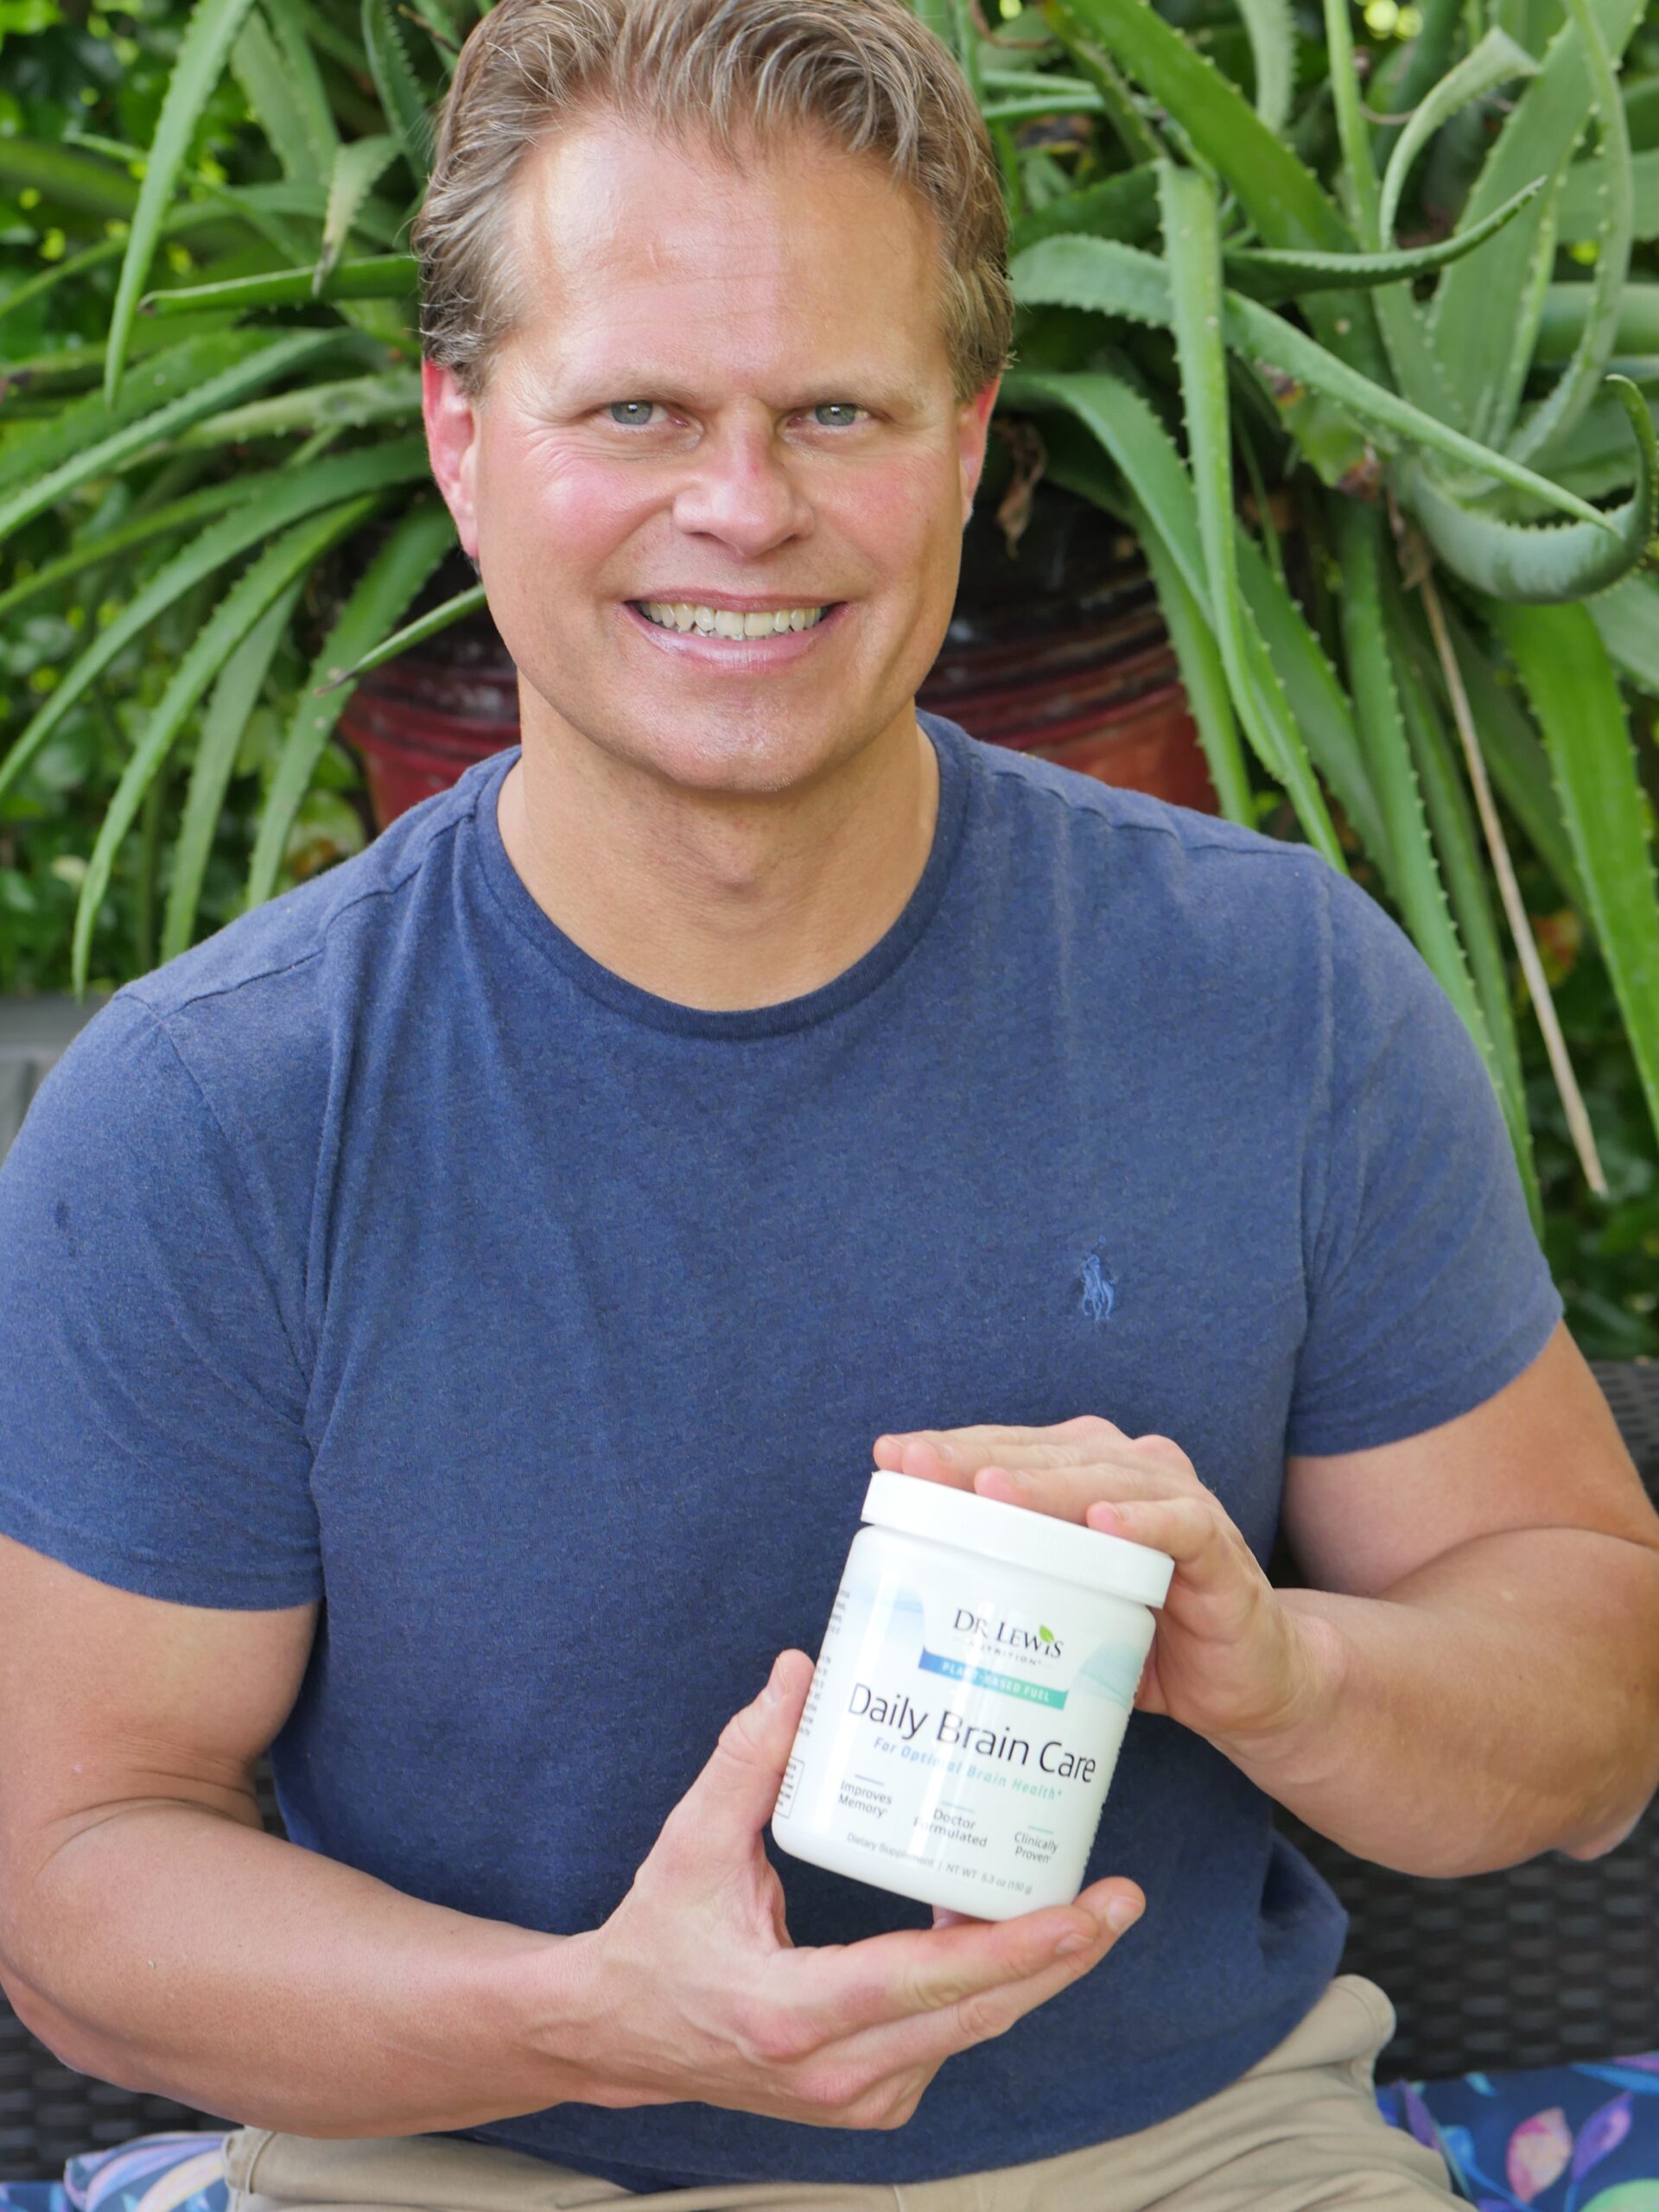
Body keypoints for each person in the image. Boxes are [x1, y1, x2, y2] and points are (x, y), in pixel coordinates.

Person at [2, 1, 1657, 2207]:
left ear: (970, 444)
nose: (745, 507)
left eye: (837, 411)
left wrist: (1288, 1669)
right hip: (467, 2162)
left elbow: (1591, 1683)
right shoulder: (211, 1112)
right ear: (461, 434)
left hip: (1184, 2159)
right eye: (641, 409)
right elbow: (79, 1873)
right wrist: (592, 2008)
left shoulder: (1270, 997)